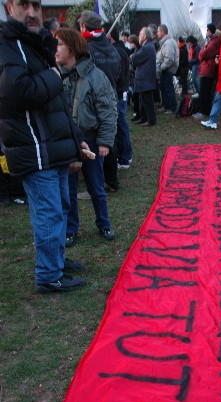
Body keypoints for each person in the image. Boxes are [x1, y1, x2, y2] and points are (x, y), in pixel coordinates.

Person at [0, 0, 87, 293]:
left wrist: (76, 138)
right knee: (49, 212)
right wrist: (54, 75)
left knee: (61, 206)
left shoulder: (35, 43)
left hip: (52, 145)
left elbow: (57, 104)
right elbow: (15, 92)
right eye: (24, 4)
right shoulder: (8, 44)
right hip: (34, 148)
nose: (33, 12)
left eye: (36, 4)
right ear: (9, 7)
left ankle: (56, 260)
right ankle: (49, 275)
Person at [55, 27, 117, 245]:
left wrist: (104, 142)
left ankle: (104, 223)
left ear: (71, 48)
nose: (56, 50)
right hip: (65, 141)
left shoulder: (95, 77)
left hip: (90, 139)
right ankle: (71, 229)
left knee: (96, 186)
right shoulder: (56, 75)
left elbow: (108, 111)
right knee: (68, 189)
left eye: (60, 45)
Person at [79, 10, 121, 192]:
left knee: (98, 142)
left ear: (83, 27)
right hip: (111, 94)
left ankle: (99, 184)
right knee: (110, 138)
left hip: (94, 99)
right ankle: (111, 180)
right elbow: (119, 72)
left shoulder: (87, 49)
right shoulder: (111, 47)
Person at [102, 23, 133, 169]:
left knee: (120, 125)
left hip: (119, 92)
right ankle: (126, 155)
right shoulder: (119, 50)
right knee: (121, 124)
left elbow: (118, 74)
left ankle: (125, 157)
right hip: (120, 91)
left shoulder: (117, 52)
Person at [192, 23, 220, 119]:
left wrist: (203, 51)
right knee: (203, 91)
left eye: (207, 30)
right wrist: (203, 52)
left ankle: (204, 111)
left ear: (210, 30)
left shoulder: (214, 41)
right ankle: (203, 110)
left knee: (205, 92)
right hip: (205, 68)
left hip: (208, 69)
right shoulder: (209, 41)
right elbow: (201, 53)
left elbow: (204, 53)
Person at [132, 27, 157, 127]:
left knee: (147, 101)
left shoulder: (146, 47)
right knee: (143, 100)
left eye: (140, 35)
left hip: (145, 78)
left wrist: (132, 56)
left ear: (145, 36)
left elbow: (135, 58)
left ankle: (151, 120)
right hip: (145, 78)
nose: (139, 37)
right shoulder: (147, 46)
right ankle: (144, 118)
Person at [156, 24, 179, 114]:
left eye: (158, 31)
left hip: (168, 69)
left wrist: (161, 67)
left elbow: (169, 59)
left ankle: (172, 107)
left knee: (168, 88)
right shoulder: (166, 42)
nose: (157, 33)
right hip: (166, 68)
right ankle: (166, 106)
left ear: (162, 32)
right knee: (164, 88)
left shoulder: (168, 43)